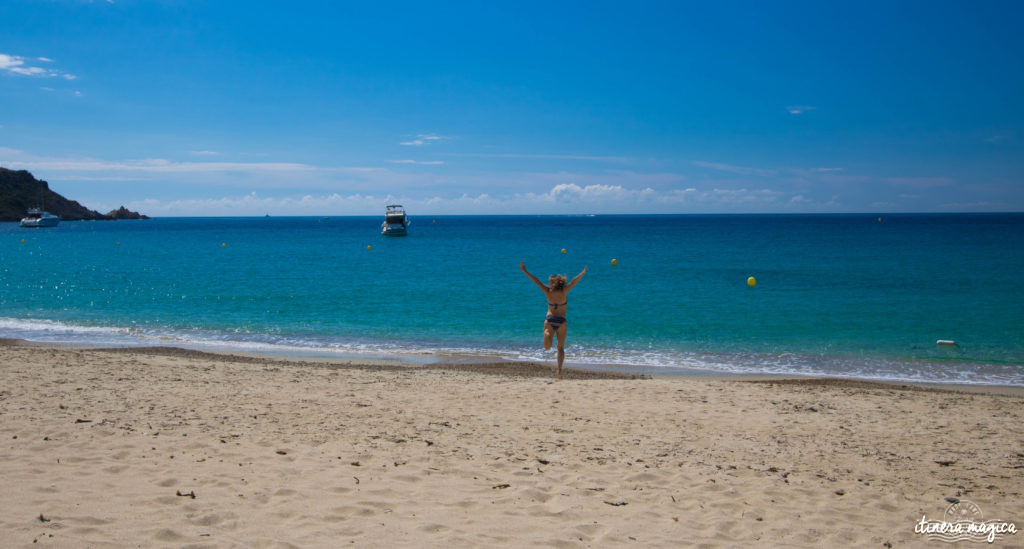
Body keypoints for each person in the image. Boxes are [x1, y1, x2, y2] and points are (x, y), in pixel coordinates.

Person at [520, 262, 588, 380]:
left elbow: (536, 280)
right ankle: (559, 370)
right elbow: (573, 282)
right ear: (561, 282)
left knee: (547, 347)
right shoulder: (564, 291)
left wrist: (525, 271)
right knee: (560, 348)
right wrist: (582, 273)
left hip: (550, 319)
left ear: (551, 283)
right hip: (561, 321)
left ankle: (547, 334)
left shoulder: (547, 291)